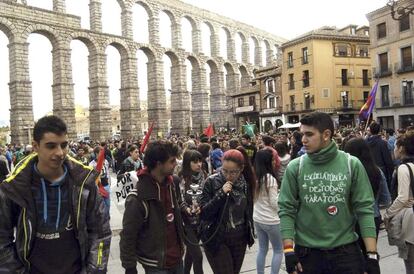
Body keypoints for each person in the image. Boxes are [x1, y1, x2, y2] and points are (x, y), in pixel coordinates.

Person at [0, 115, 111, 273]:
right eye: (51, 146)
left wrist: (95, 270)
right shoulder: (15, 187)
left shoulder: (84, 183)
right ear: (35, 146)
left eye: (64, 145)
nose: (60, 152)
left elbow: (101, 232)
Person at [278, 112, 380, 274]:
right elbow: (286, 209)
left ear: (326, 135)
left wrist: (372, 255)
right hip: (307, 255)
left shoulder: (351, 164)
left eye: (309, 134)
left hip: (346, 255)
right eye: (302, 133)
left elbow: (365, 210)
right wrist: (289, 251)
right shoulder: (295, 167)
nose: (303, 139)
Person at [120, 140, 185, 274]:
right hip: (156, 263)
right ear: (158, 164)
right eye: (172, 161)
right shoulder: (138, 198)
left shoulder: (171, 185)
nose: (176, 164)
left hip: (177, 258)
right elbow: (128, 235)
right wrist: (130, 266)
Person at [199, 147, 256, 274]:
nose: (228, 176)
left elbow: (248, 211)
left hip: (239, 237)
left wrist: (249, 233)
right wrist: (221, 194)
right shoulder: (211, 182)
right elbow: (204, 213)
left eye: (233, 172)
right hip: (217, 236)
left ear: (241, 169)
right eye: (225, 171)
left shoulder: (245, 184)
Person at [343, 137, 391, 250]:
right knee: (370, 252)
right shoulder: (377, 171)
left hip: (350, 219)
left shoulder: (345, 173)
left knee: (354, 255)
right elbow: (386, 199)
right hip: (373, 216)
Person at [384, 131, 414, 274]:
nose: (394, 150)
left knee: (411, 263)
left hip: (410, 221)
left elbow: (402, 197)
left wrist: (388, 214)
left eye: (396, 147)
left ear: (401, 148)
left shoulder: (404, 168)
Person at [253, 149, 283, 274]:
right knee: (278, 250)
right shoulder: (270, 179)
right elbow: (274, 203)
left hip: (258, 218)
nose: (274, 162)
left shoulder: (256, 176)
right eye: (272, 160)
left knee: (262, 249)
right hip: (271, 220)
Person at [178, 150, 207, 274]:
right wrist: (186, 208)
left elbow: (206, 195)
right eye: (195, 162)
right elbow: (179, 198)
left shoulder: (204, 175)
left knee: (190, 255)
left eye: (200, 161)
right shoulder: (182, 177)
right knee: (198, 256)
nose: (199, 164)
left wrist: (202, 206)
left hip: (200, 220)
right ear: (187, 163)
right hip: (186, 222)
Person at [366, 122, 394, 191]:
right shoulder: (383, 143)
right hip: (382, 172)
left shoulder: (365, 142)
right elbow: (388, 160)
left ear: (370, 130)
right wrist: (392, 171)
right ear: (379, 131)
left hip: (369, 171)